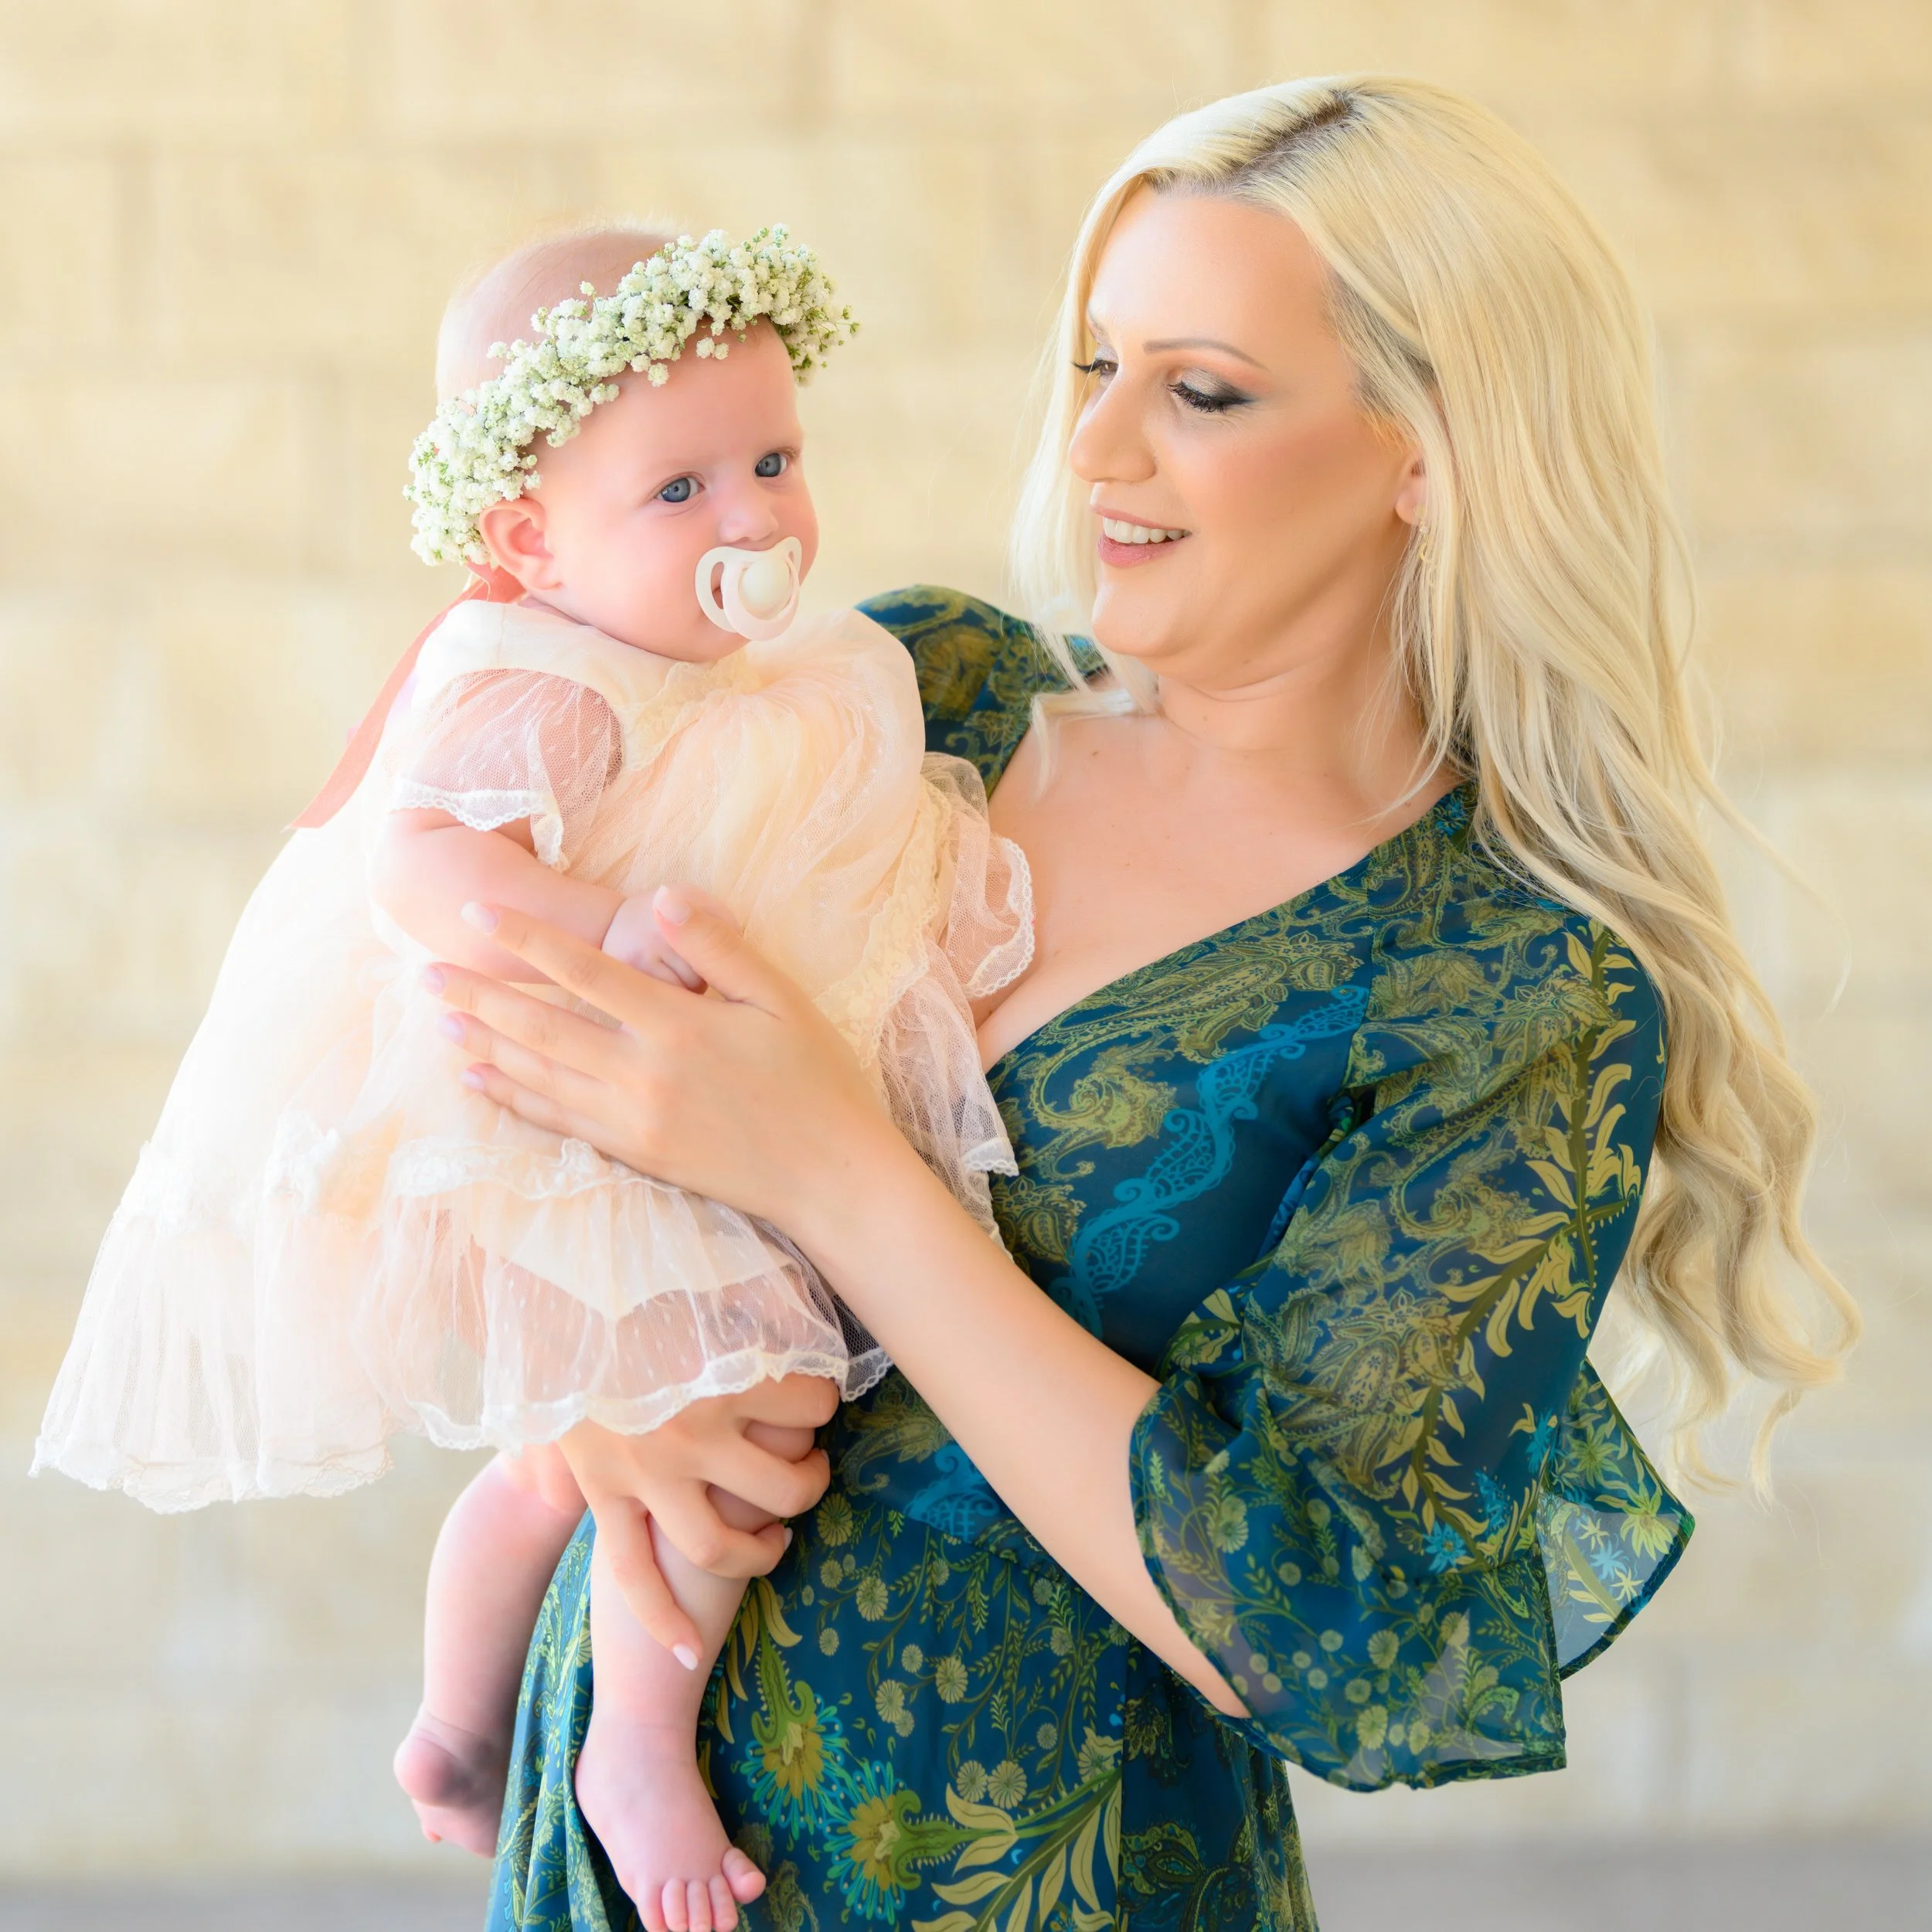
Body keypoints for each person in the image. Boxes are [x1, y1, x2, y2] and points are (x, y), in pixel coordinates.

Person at [444, 75, 1856, 1932]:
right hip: (621, 1837)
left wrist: (835, 1167)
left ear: (1424, 451)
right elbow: (471, 989)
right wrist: (583, 1406)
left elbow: (1315, 1630)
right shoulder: (911, 697)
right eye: (1097, 365)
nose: (1098, 447)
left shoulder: (1506, 987)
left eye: (1197, 390)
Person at [31, 223, 1033, 1930]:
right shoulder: (540, 683)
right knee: (751, 1421)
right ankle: (631, 1734)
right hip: (562, 1118)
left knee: (563, 1462)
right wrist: (597, 921)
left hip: (680, 1113)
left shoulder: (785, 678)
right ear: (527, 539)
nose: (753, 520)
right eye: (680, 490)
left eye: (774, 460)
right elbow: (414, 864)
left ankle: (451, 1714)